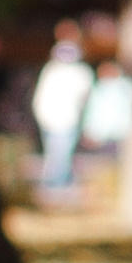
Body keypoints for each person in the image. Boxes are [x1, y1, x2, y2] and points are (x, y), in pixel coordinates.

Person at [31, 23, 95, 197]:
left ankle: (56, 183)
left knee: (58, 151)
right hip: (59, 117)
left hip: (60, 117)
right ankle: (56, 186)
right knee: (59, 152)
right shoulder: (65, 71)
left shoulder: (61, 71)